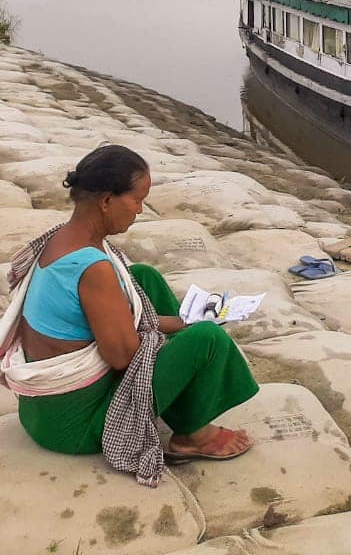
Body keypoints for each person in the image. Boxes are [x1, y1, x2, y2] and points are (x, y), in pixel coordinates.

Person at [0, 146, 259, 480]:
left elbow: (130, 322)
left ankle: (181, 392)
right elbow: (124, 358)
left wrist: (178, 323)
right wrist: (184, 331)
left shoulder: (62, 239)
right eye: (136, 200)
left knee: (143, 278)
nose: (139, 210)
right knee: (207, 338)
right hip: (73, 425)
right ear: (107, 201)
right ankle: (193, 434)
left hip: (42, 415)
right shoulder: (92, 268)